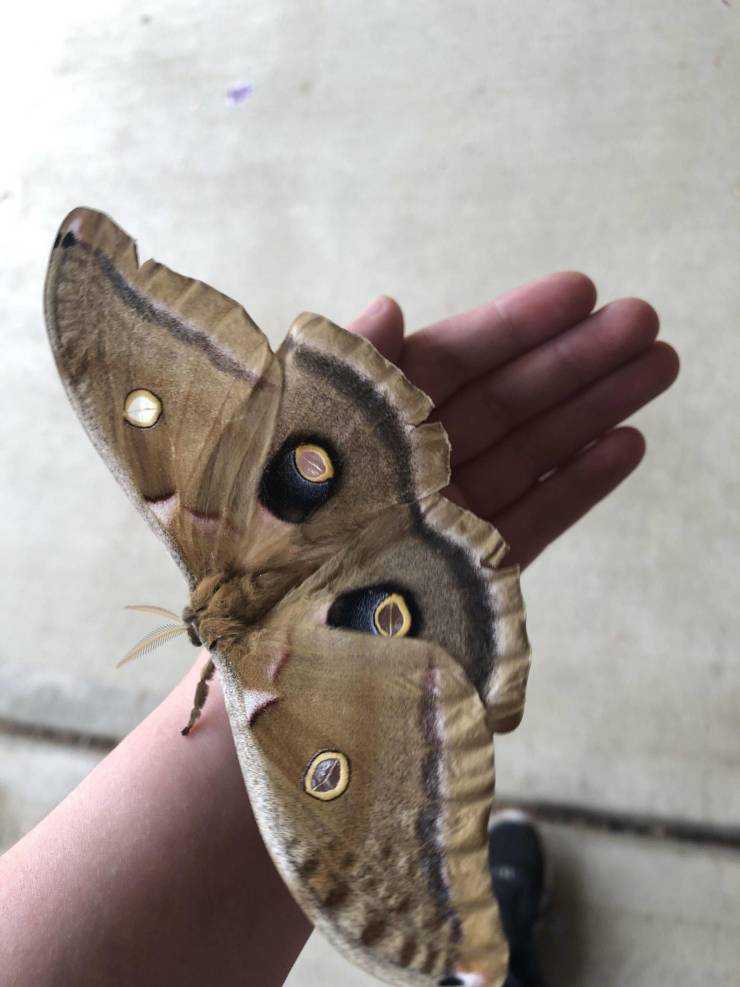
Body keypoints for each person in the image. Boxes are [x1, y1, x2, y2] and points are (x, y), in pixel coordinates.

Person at [0, 273, 679, 986]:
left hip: (370, 519)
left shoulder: (243, 666)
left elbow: (141, 392)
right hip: (370, 531)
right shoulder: (239, 645)